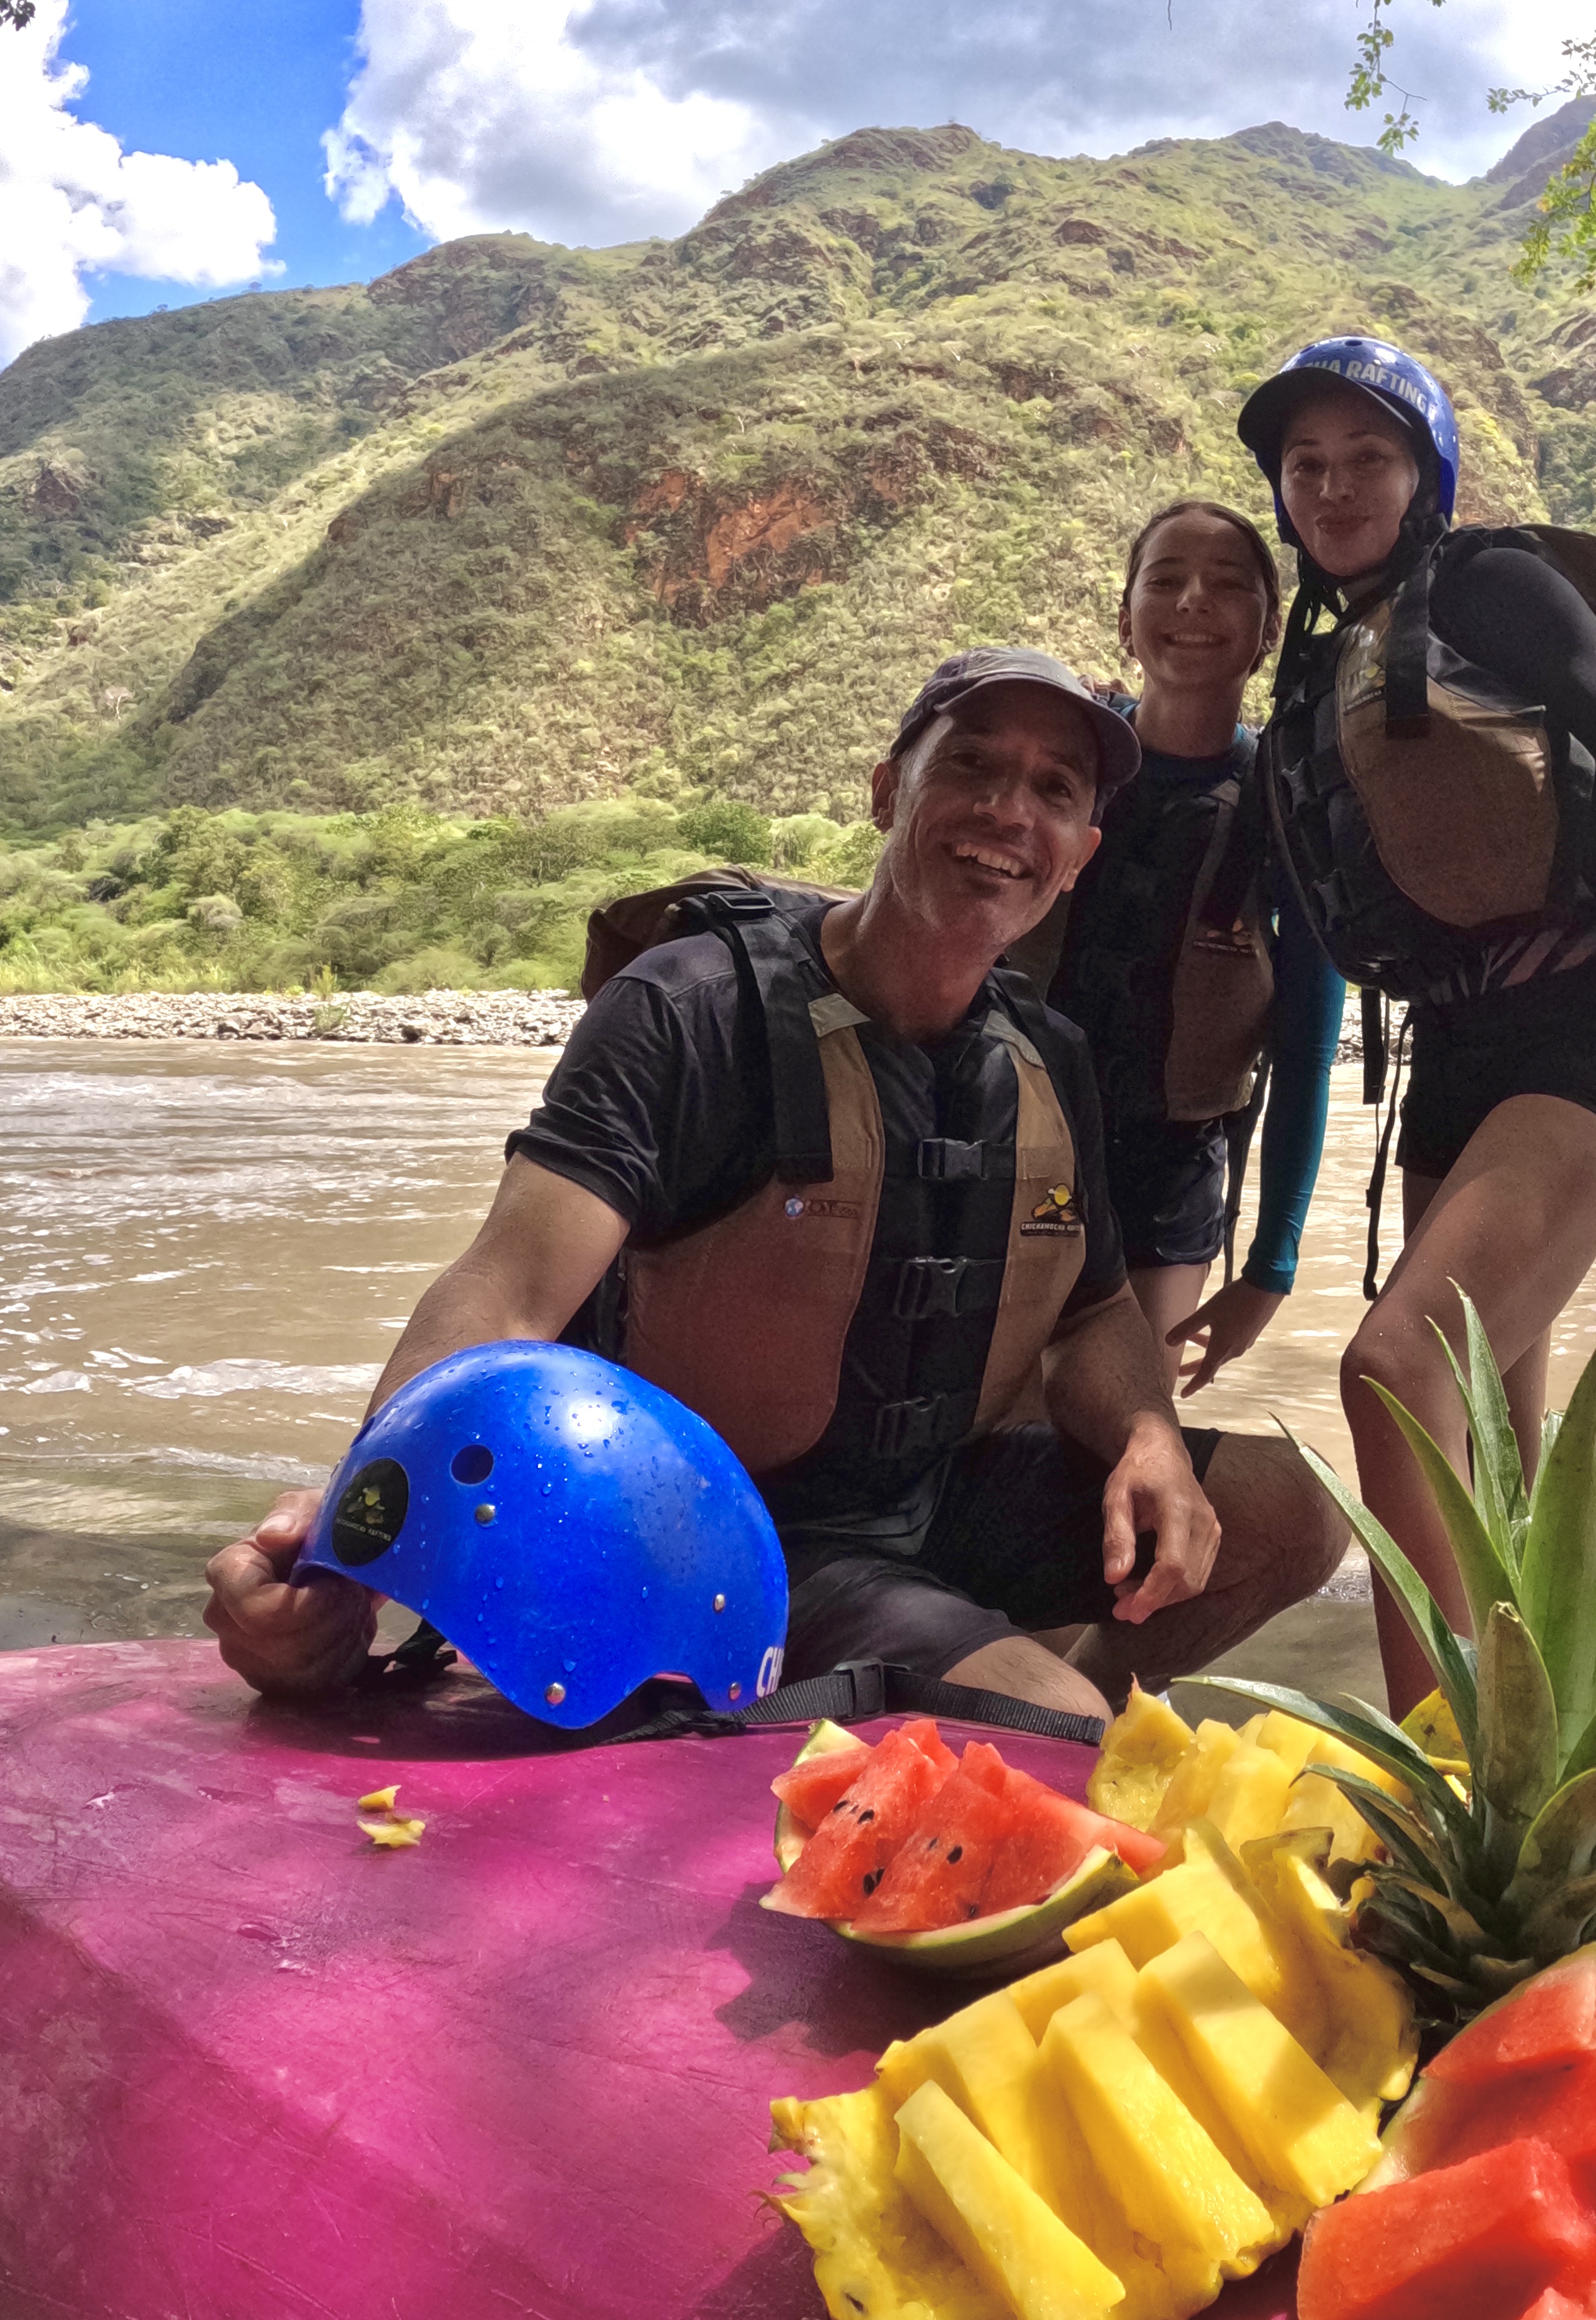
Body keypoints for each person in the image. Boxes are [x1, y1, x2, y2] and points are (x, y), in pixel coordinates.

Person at [203, 647, 1347, 1736]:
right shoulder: (690, 1010)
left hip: (939, 1498)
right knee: (1045, 1716)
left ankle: (1040, 1713)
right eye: (972, 765)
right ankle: (1004, 1709)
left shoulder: (1050, 1057)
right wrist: (354, 1553)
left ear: (1080, 852)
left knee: (1293, 1513)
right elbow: (505, 1293)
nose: (1011, 812)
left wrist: (1147, 1433)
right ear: (887, 791)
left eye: (1055, 790)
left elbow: (1096, 1308)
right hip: (716, 1534)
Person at [1238, 337, 1596, 1711]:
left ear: (1427, 475)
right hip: (1453, 1066)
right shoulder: (1324, 665)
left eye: (1368, 461)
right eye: (1306, 468)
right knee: (1494, 1457)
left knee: (1395, 1373)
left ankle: (1444, 1777)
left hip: (1586, 1037)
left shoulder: (1489, 587)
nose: (1333, 490)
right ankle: (1549, 1774)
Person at [1032, 499, 1344, 1398]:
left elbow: (1307, 1052)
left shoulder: (1288, 809)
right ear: (1126, 622)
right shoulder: (1060, 767)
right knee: (993, 1420)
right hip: (1016, 1144)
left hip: (1171, 1172)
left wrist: (1272, 1269)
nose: (1193, 601)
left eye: (1229, 585)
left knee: (1124, 1427)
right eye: (1164, 581)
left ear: (1269, 631)